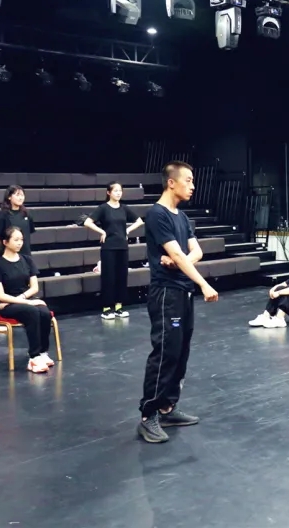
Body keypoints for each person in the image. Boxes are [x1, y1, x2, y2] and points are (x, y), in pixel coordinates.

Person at [138, 161, 219, 445]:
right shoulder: (156, 214)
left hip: (183, 292)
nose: (192, 185)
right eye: (188, 180)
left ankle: (167, 408)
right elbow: (181, 254)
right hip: (166, 294)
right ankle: (148, 414)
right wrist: (203, 283)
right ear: (171, 182)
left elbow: (196, 251)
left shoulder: (182, 217)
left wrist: (179, 260)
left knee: (181, 351)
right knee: (165, 352)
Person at [0, 227, 54, 373]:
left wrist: (22, 299)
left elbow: (34, 287)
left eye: (21, 240)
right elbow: (0, 296)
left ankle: (43, 352)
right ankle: (34, 357)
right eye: (16, 240)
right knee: (32, 312)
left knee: (44, 312)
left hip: (20, 300)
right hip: (8, 306)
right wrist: (28, 302)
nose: (20, 243)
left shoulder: (27, 260)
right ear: (5, 242)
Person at [84, 183, 145, 320]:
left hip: (122, 246)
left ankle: (119, 306)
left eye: (120, 191)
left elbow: (139, 221)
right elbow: (88, 222)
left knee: (121, 276)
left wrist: (127, 230)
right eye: (115, 191)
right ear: (108, 192)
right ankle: (106, 308)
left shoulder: (124, 208)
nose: (118, 193)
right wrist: (102, 231)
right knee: (109, 277)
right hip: (109, 247)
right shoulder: (103, 208)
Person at [0, 185, 35, 255]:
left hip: (26, 255)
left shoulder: (26, 214)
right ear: (9, 197)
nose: (20, 198)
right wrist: (7, 248)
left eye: (22, 195)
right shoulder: (2, 215)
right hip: (9, 255)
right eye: (17, 195)